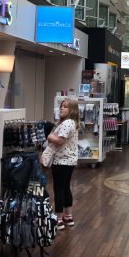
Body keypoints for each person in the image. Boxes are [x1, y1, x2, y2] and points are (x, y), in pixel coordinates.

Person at [47, 98, 79, 229]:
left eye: (65, 107)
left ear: (72, 110)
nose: (61, 108)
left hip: (61, 161)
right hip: (69, 160)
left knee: (58, 188)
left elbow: (60, 141)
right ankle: (68, 216)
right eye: (61, 106)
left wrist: (49, 136)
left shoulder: (67, 123)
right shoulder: (72, 123)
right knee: (65, 187)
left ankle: (59, 219)